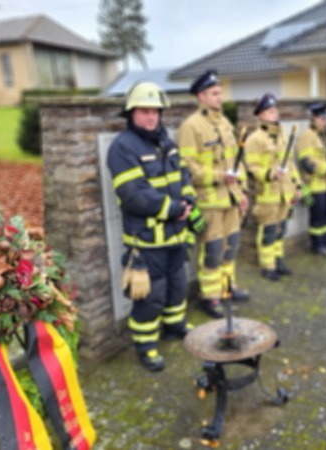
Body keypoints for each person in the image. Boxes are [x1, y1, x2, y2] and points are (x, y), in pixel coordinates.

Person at [107, 81, 199, 372]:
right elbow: (133, 195)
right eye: (145, 111)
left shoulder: (166, 141)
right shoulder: (121, 148)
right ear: (131, 113)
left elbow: (183, 176)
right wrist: (174, 209)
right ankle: (145, 345)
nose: (151, 117)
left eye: (156, 112)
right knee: (151, 296)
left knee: (177, 287)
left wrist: (188, 202)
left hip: (175, 237)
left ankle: (175, 326)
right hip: (147, 242)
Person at [177, 69, 250, 318]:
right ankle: (210, 297)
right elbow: (188, 166)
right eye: (214, 93)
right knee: (213, 249)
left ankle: (227, 288)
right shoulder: (191, 126)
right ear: (201, 97)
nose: (220, 98)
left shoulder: (225, 123)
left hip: (230, 198)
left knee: (231, 246)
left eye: (220, 93)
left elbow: (235, 161)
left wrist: (241, 191)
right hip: (209, 201)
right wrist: (220, 176)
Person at [245, 93, 301, 281]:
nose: (274, 114)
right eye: (269, 111)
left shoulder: (282, 136)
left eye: (275, 110)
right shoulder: (255, 139)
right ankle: (267, 266)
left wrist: (297, 185)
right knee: (268, 232)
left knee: (281, 230)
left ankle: (278, 260)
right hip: (268, 194)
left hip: (285, 194)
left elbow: (290, 164)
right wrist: (269, 173)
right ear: (260, 115)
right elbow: (252, 167)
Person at [296, 102, 326, 256]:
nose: (325, 121)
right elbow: (306, 162)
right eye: (321, 118)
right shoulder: (307, 136)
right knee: (318, 217)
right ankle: (317, 245)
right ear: (313, 118)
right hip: (316, 185)